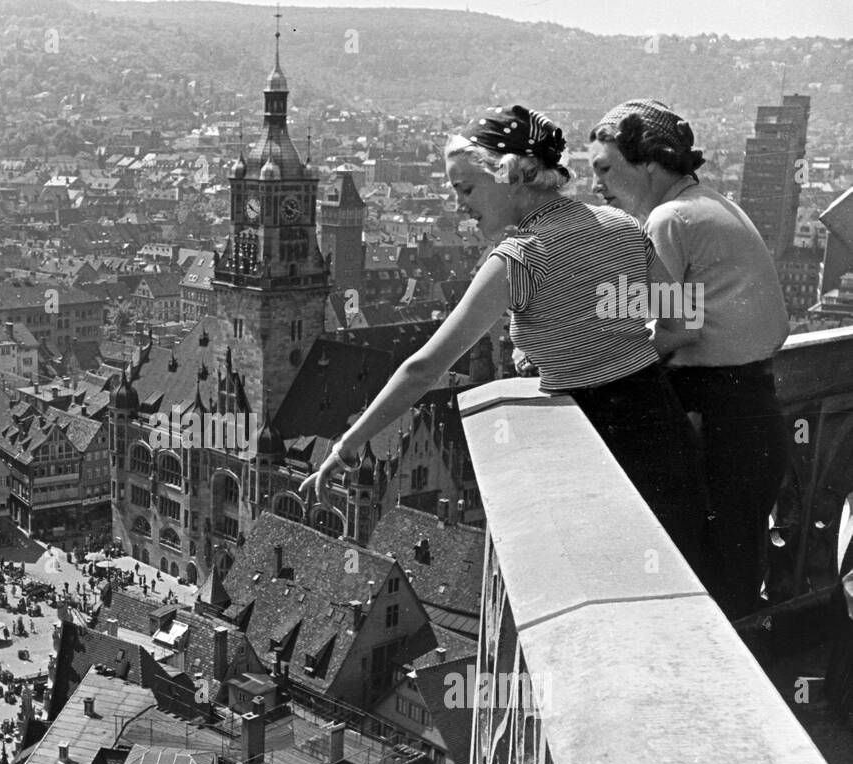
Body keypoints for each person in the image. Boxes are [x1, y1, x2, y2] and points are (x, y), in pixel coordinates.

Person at [301, 104, 707, 571]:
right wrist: (620, 357)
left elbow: (424, 368)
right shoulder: (621, 226)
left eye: (466, 188)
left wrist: (348, 444)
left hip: (589, 446)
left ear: (512, 175)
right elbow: (684, 322)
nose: (459, 205)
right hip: (663, 429)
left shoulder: (519, 258)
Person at [589, 100, 790, 620]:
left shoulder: (667, 219)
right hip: (757, 414)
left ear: (649, 163)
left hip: (712, 418)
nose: (597, 185)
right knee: (737, 574)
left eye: (606, 168)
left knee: (700, 583)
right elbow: (676, 308)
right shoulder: (709, 205)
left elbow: (677, 328)